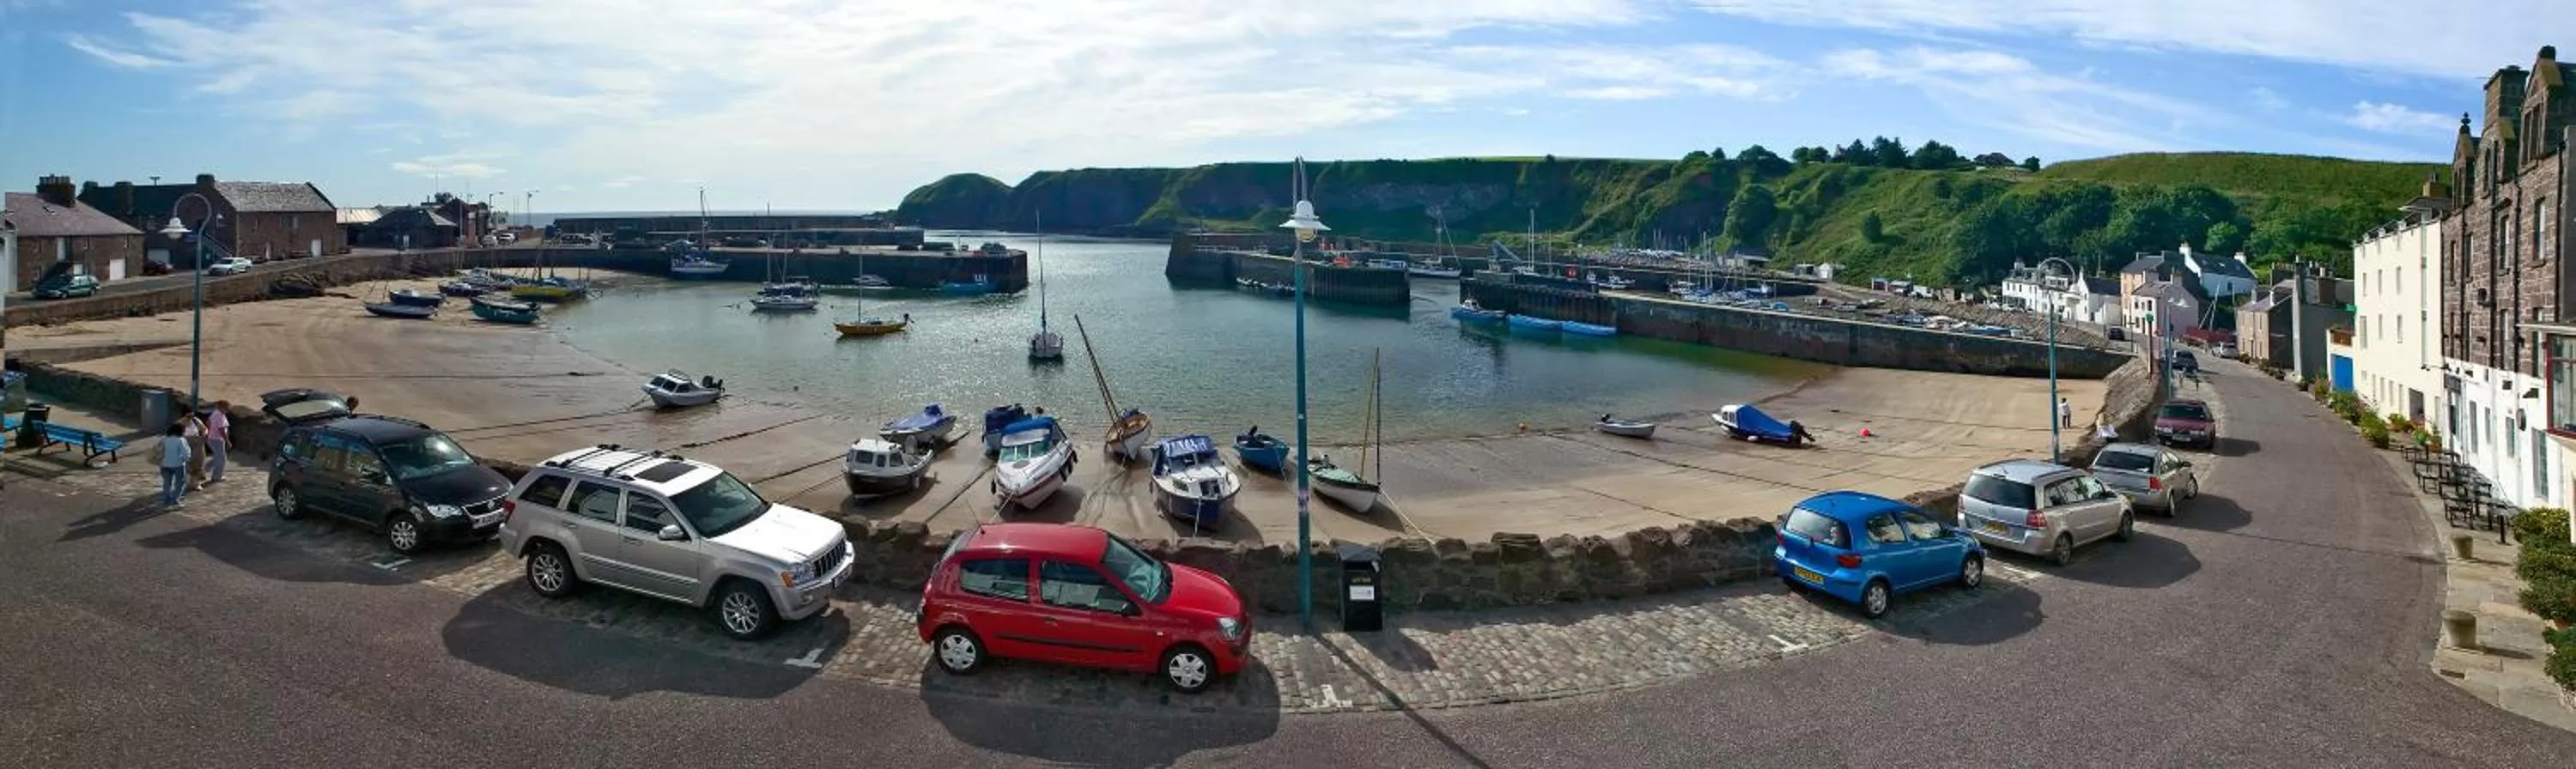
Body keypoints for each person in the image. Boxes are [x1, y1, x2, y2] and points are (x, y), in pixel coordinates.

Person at [155, 421, 191, 508]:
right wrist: (186, 459)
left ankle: (166, 498)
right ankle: (175, 499)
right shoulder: (181, 440)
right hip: (178, 464)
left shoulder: (164, 439)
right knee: (180, 482)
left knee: (167, 483)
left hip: (164, 464)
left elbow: (158, 449)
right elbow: (185, 454)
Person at [203, 401, 233, 484]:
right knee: (222, 459)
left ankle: (203, 470)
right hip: (217, 439)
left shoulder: (215, 413)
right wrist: (227, 441)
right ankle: (216, 477)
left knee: (217, 457)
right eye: (227, 408)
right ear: (222, 407)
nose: (228, 410)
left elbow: (208, 422)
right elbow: (221, 430)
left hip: (213, 438)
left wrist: (211, 430)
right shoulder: (219, 415)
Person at [180, 409, 210, 491]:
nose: (191, 418)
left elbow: (205, 429)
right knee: (187, 464)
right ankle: (186, 483)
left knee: (199, 463)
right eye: (189, 416)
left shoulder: (196, 421)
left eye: (192, 415)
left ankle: (196, 484)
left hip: (197, 442)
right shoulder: (180, 423)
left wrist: (204, 434)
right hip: (186, 442)